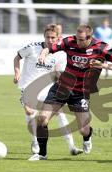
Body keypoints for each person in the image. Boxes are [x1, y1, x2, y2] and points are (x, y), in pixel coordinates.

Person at [29, 24, 112, 161]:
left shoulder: (101, 47)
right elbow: (50, 48)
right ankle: (42, 154)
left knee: (83, 130)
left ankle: (87, 137)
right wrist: (43, 53)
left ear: (89, 37)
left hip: (80, 92)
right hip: (62, 87)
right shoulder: (69, 41)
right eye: (77, 38)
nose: (78, 41)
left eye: (81, 40)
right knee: (42, 119)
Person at [13, 23, 83, 157]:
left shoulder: (61, 54)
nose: (50, 40)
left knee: (59, 112)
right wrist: (17, 73)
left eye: (52, 38)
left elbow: (59, 73)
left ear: (58, 38)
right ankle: (35, 142)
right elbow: (17, 57)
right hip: (28, 86)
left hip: (46, 87)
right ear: (44, 37)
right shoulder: (32, 48)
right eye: (47, 37)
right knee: (30, 111)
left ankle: (72, 147)